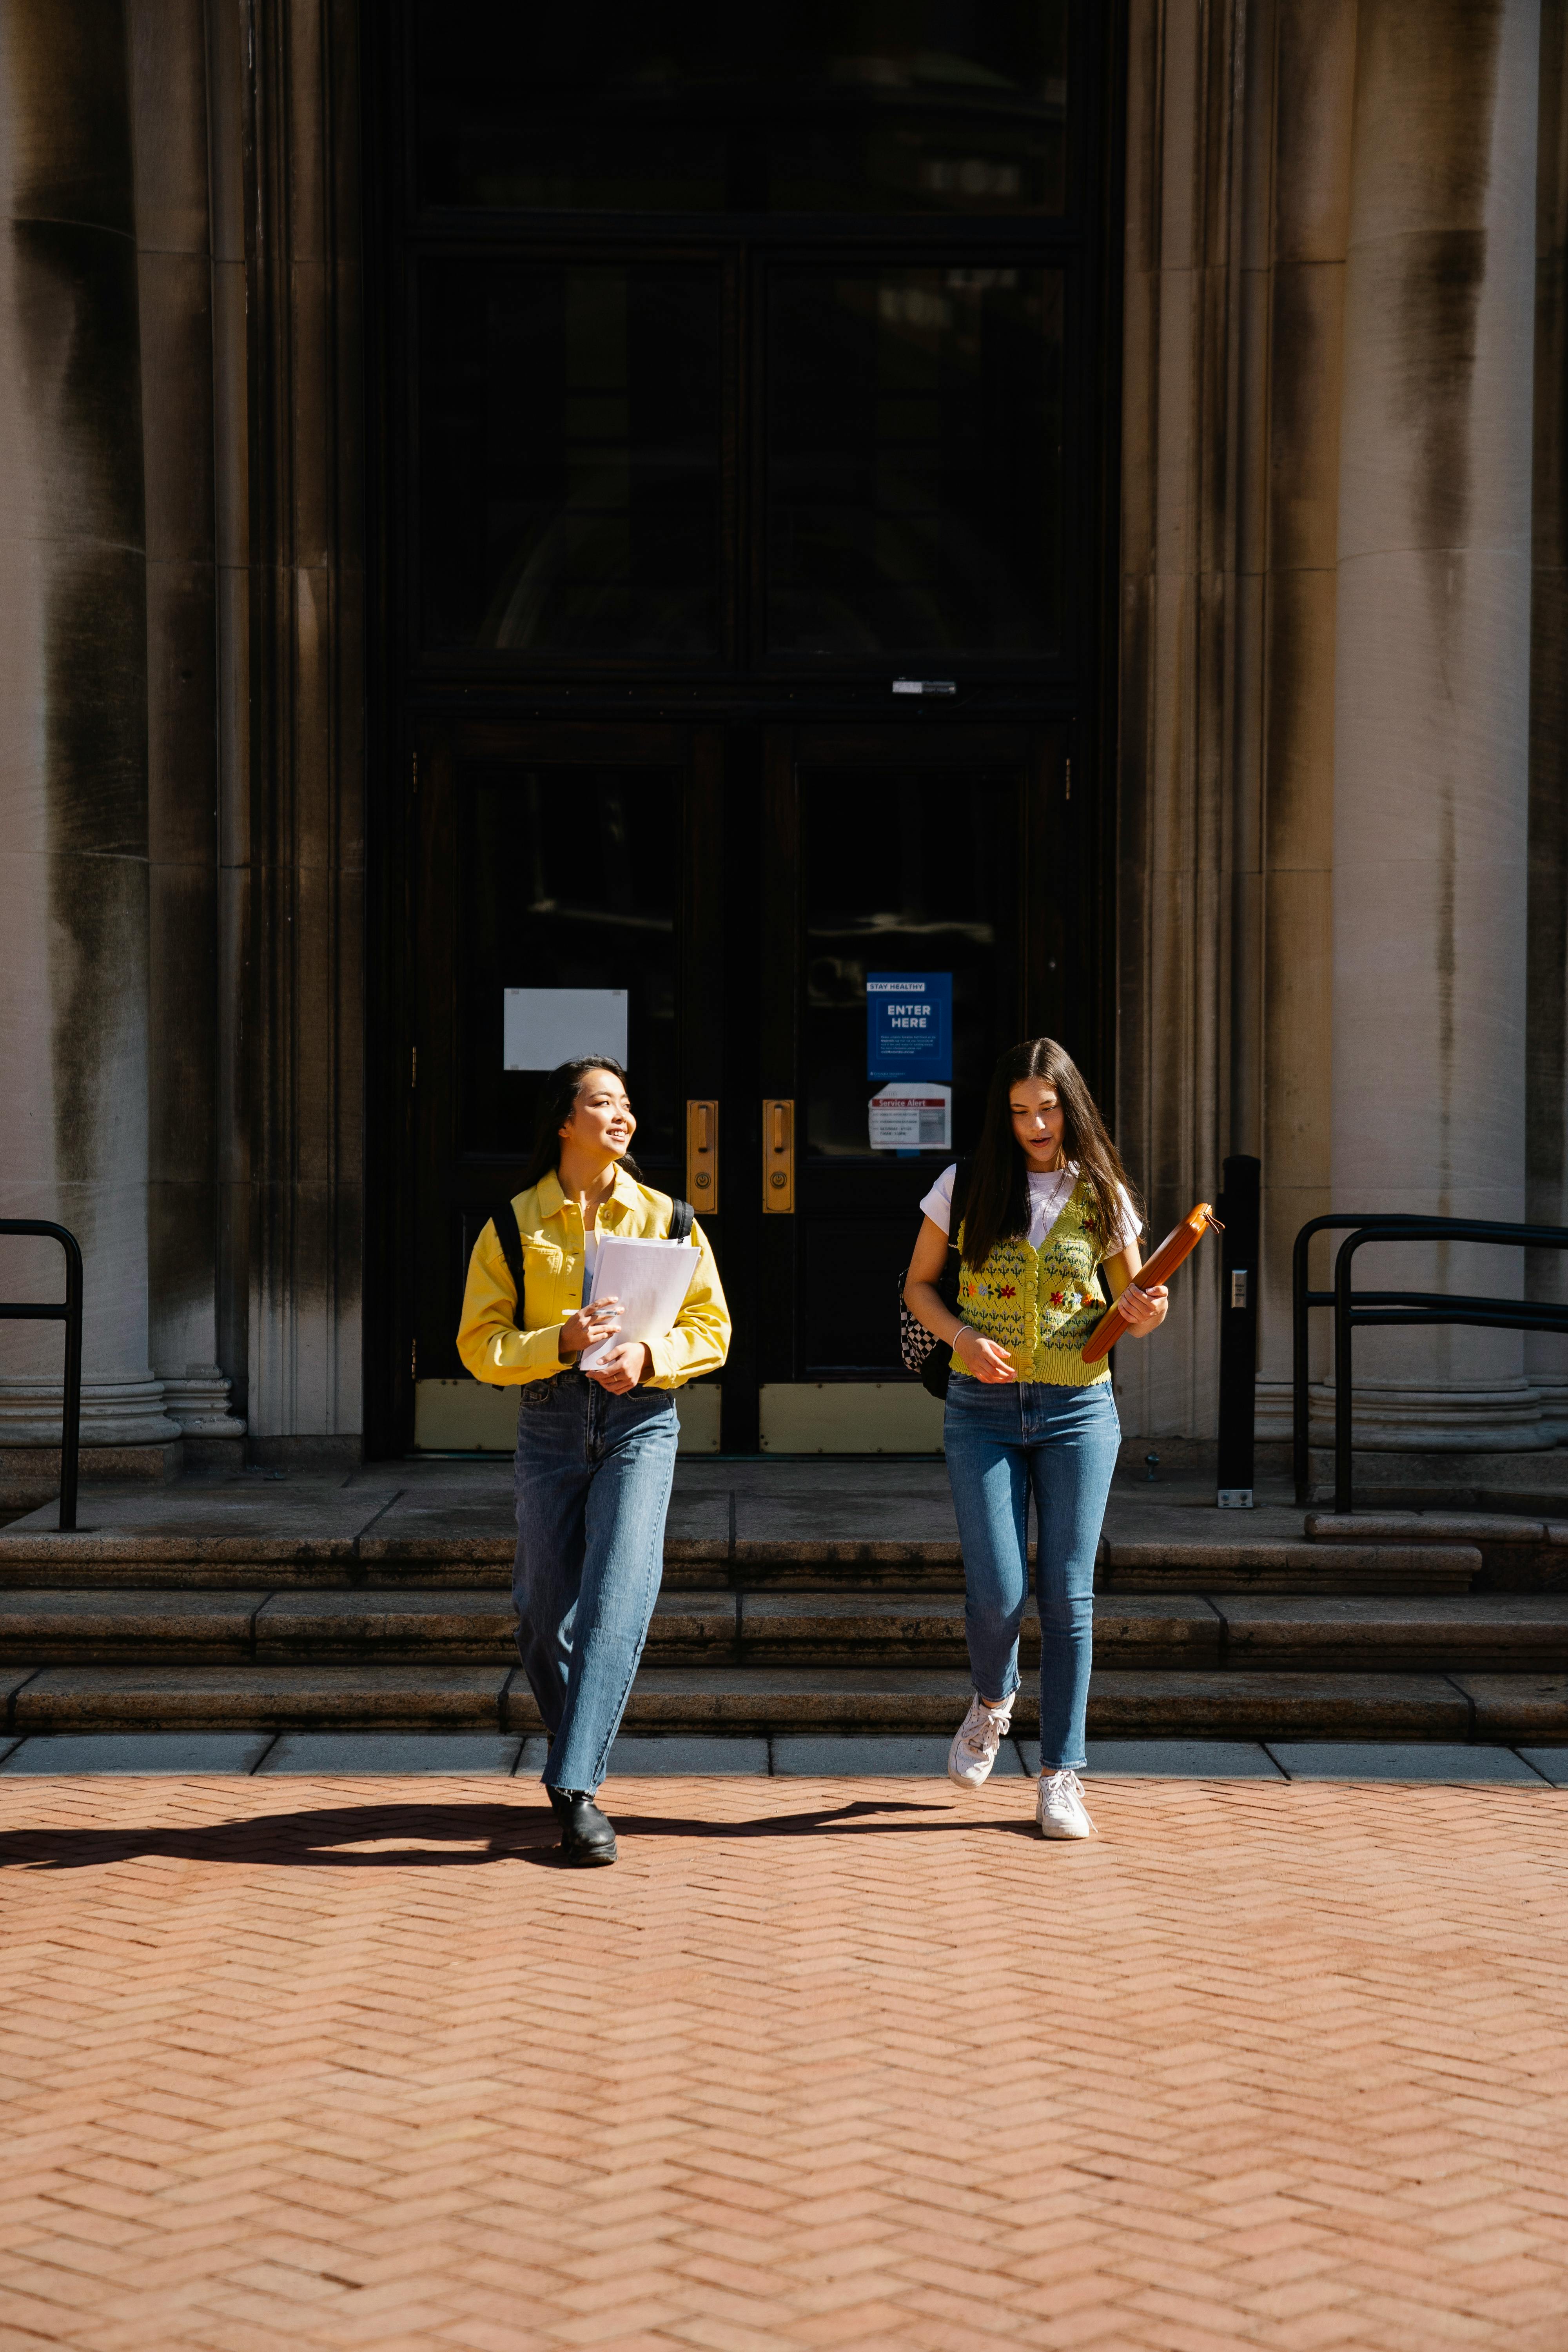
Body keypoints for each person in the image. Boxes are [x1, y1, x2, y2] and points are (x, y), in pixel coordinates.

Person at [457, 1057, 730, 1866]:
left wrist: (648, 1353)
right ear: (563, 1121)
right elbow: (479, 1346)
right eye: (602, 1102)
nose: (622, 1116)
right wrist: (560, 1342)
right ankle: (578, 1743)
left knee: (617, 1593)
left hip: (640, 1423)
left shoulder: (670, 1218)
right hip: (549, 1422)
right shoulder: (512, 1225)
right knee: (542, 1609)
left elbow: (712, 1329)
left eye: (626, 1103)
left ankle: (574, 1788)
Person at [902, 1037, 1167, 1840]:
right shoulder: (965, 1183)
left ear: (1070, 1106)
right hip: (979, 1411)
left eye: (1047, 1108)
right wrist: (960, 1339)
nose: (1035, 1125)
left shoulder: (1102, 1193)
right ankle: (992, 1702)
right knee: (994, 1589)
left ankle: (1061, 1775)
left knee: (1067, 1593)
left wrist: (1147, 1313)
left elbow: (1134, 1303)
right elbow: (917, 1285)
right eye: (1019, 1112)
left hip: (1077, 1411)